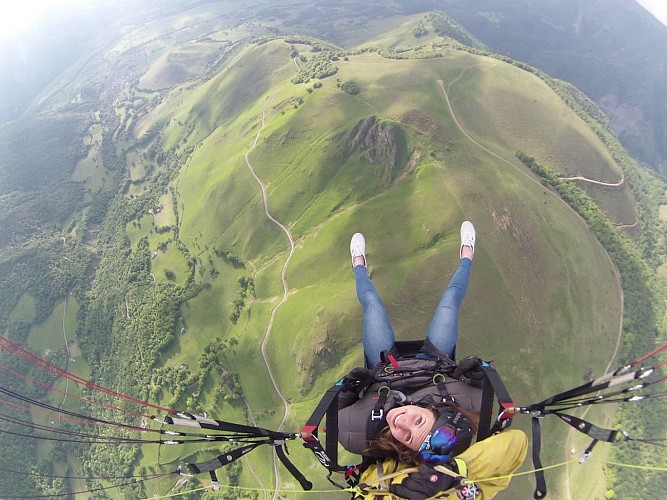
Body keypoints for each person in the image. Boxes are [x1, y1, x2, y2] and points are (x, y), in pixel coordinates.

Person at [336, 221, 527, 499]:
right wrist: (452, 470)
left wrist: (349, 391)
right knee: (449, 302)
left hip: (384, 369)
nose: (402, 422)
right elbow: (515, 443)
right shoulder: (463, 408)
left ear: (407, 450)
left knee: (372, 304)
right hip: (435, 364)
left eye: (409, 436)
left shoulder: (369, 436)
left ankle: (358, 264)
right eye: (419, 421)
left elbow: (335, 417)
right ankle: (467, 255)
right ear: (435, 410)